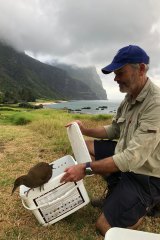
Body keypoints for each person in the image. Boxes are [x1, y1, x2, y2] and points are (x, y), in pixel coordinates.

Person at [60, 45, 160, 236]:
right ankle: (117, 191)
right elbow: (114, 129)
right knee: (86, 148)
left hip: (146, 175)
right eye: (115, 74)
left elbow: (132, 158)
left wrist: (86, 168)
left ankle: (146, 204)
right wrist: (84, 130)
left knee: (105, 227)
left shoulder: (156, 104)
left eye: (120, 72)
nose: (115, 79)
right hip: (126, 161)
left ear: (141, 69)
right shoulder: (129, 98)